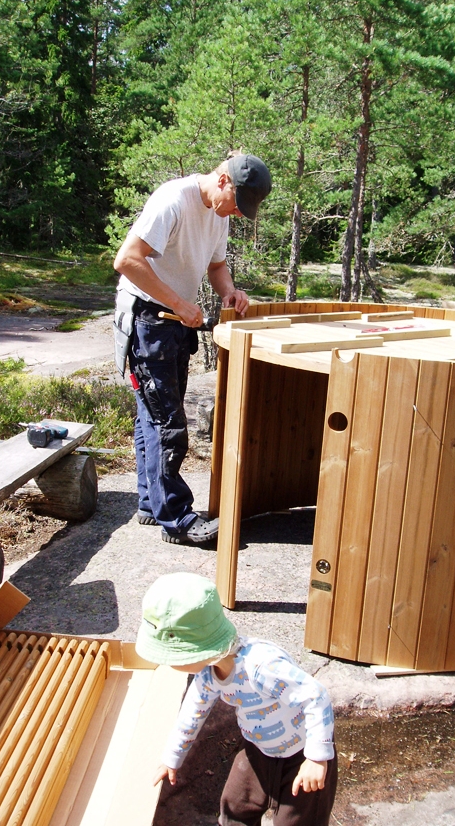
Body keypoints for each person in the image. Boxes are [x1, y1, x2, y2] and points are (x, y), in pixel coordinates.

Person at [113, 153, 272, 545]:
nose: (236, 213)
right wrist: (178, 304)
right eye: (237, 203)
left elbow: (217, 267)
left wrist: (229, 291)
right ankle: (178, 520)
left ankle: (152, 504)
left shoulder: (218, 214)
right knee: (168, 421)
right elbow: (128, 260)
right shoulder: (173, 200)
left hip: (170, 320)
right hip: (147, 319)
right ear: (223, 181)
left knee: (152, 414)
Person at [136, 572, 337, 826]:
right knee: (234, 809)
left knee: (298, 820)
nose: (167, 663)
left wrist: (317, 758)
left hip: (301, 754)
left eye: (171, 657)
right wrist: (171, 758)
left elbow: (316, 696)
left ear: (197, 650)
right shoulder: (208, 675)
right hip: (258, 748)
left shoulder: (261, 668)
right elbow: (192, 713)